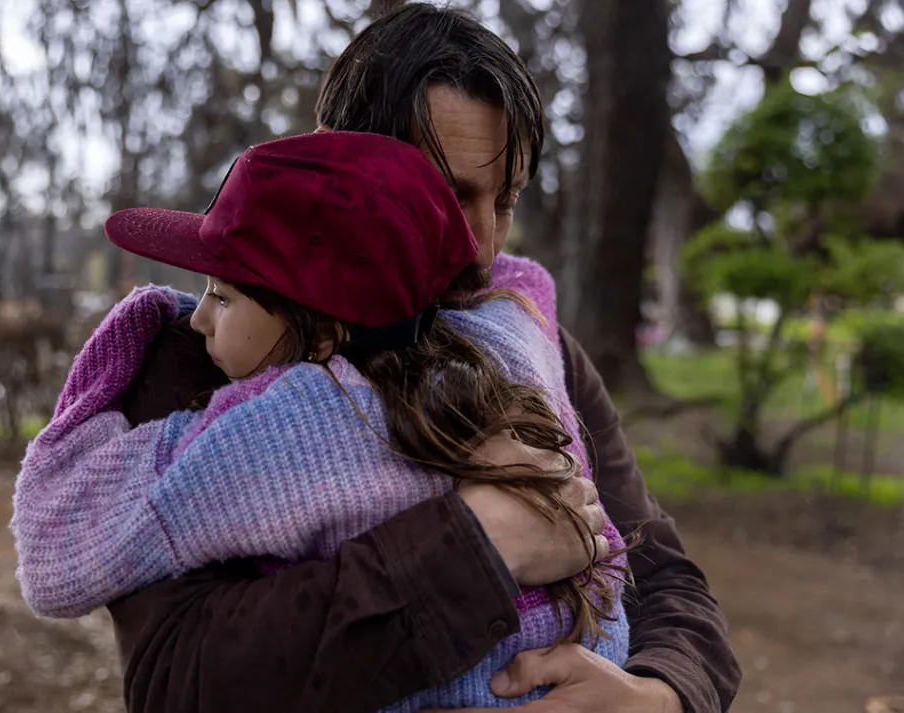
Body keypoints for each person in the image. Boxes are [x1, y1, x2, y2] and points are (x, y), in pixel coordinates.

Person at [109, 5, 740, 713]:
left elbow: (666, 574)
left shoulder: (534, 343)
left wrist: (655, 694)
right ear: (338, 163)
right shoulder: (212, 358)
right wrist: (480, 544)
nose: (481, 245)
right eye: (445, 195)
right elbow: (174, 681)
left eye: (504, 199)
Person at [13, 130, 630, 710]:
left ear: (324, 336)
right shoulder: (504, 348)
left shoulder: (288, 430)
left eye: (224, 297)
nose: (196, 320)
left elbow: (59, 555)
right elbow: (528, 287)